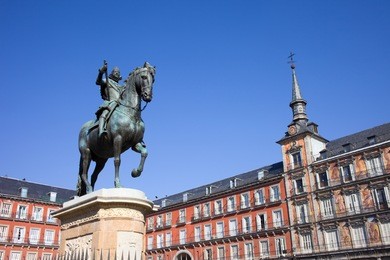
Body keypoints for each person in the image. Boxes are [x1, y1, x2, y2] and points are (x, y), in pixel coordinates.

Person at [95, 61, 123, 138]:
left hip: (120, 104)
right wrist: (101, 71)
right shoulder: (107, 81)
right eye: (115, 72)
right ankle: (101, 131)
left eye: (118, 72)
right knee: (104, 114)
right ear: (112, 73)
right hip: (110, 103)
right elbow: (98, 82)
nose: (117, 73)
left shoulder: (120, 86)